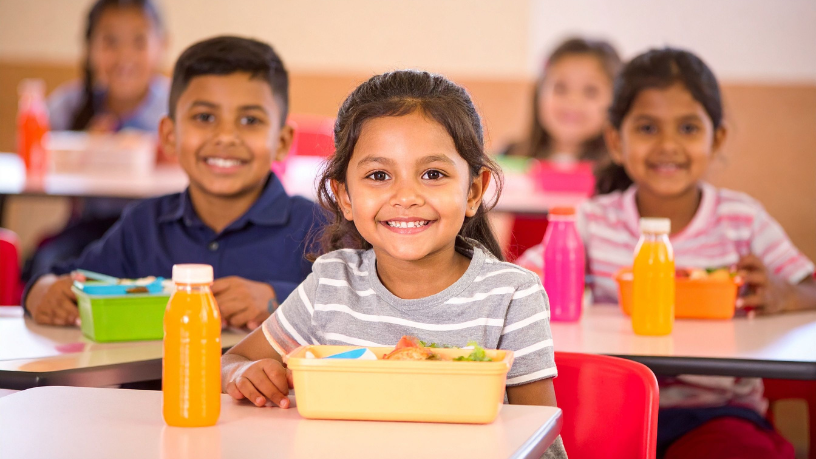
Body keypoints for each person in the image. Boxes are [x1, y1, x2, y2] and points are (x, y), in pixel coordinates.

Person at [221, 70, 567, 458]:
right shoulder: (332, 285)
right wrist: (240, 374)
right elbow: (233, 360)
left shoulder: (511, 296)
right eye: (379, 175)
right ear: (345, 196)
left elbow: (543, 446)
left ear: (473, 191)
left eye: (433, 174)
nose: (405, 196)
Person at [518, 48, 815, 459]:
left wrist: (788, 295)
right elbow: (519, 284)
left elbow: (810, 288)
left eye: (689, 128)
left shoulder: (741, 220)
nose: (668, 145)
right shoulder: (594, 220)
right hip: (614, 408)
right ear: (616, 142)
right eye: (647, 128)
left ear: (717, 139)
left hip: (718, 412)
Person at [25, 36, 324, 331]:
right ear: (169, 135)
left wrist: (279, 299)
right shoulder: (143, 226)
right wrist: (43, 292)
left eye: (250, 121)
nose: (225, 137)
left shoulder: (319, 228)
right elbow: (63, 281)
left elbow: (365, 308)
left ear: (282, 142)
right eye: (205, 117)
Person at [24, 0, 169, 281]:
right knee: (47, 267)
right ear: (89, 48)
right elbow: (36, 160)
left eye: (139, 42)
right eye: (110, 42)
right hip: (89, 229)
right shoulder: (70, 104)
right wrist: (83, 147)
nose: (124, 56)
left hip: (156, 230)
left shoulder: (174, 106)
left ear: (162, 45)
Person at [503, 37, 621, 162]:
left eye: (590, 91)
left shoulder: (620, 171)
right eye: (560, 88)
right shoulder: (508, 158)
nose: (573, 101)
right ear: (539, 92)